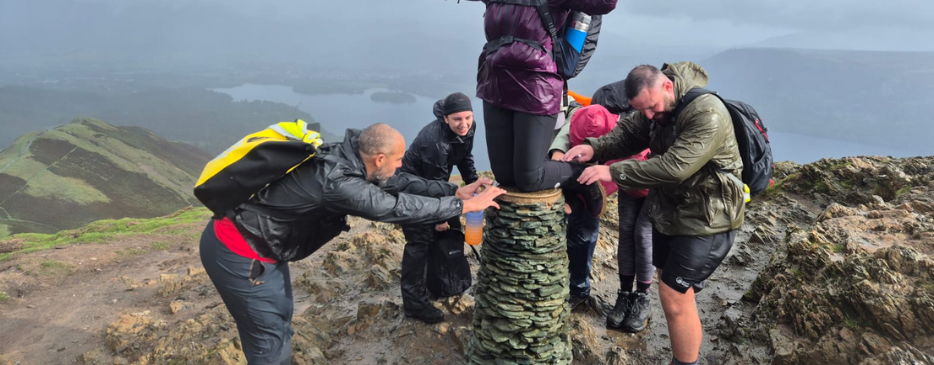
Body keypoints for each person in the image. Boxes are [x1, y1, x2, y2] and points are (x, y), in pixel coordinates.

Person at [422, 0, 650, 216]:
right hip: (496, 87)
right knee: (506, 176)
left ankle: (584, 179)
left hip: (537, 91)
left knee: (530, 177)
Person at [200, 123, 505, 365]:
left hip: (262, 250)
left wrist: (453, 192)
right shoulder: (339, 183)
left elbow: (396, 184)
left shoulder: (350, 154)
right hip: (241, 255)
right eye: (398, 160)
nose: (401, 165)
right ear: (379, 158)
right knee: (269, 338)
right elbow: (394, 207)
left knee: (279, 321)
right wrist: (463, 208)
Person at [564, 63, 745, 365]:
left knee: (674, 296)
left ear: (667, 87)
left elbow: (675, 167)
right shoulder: (654, 108)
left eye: (652, 108)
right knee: (674, 292)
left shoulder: (706, 113)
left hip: (708, 216)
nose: (649, 115)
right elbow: (626, 136)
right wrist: (593, 149)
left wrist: (612, 172)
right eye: (641, 110)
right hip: (672, 211)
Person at [549, 102, 655, 333]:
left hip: (651, 188)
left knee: (642, 237)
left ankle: (643, 297)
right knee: (626, 235)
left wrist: (574, 203)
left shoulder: (624, 151)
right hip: (626, 187)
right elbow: (570, 123)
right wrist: (559, 151)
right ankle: (624, 294)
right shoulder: (586, 116)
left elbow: (599, 196)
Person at [398, 92, 479, 324]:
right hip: (412, 191)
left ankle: (443, 280)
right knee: (419, 242)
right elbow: (436, 184)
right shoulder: (435, 143)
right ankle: (415, 303)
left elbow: (465, 157)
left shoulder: (467, 128)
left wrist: (473, 184)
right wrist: (439, 217)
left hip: (435, 185)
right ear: (445, 119)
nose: (464, 124)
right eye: (457, 120)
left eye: (468, 117)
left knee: (450, 232)